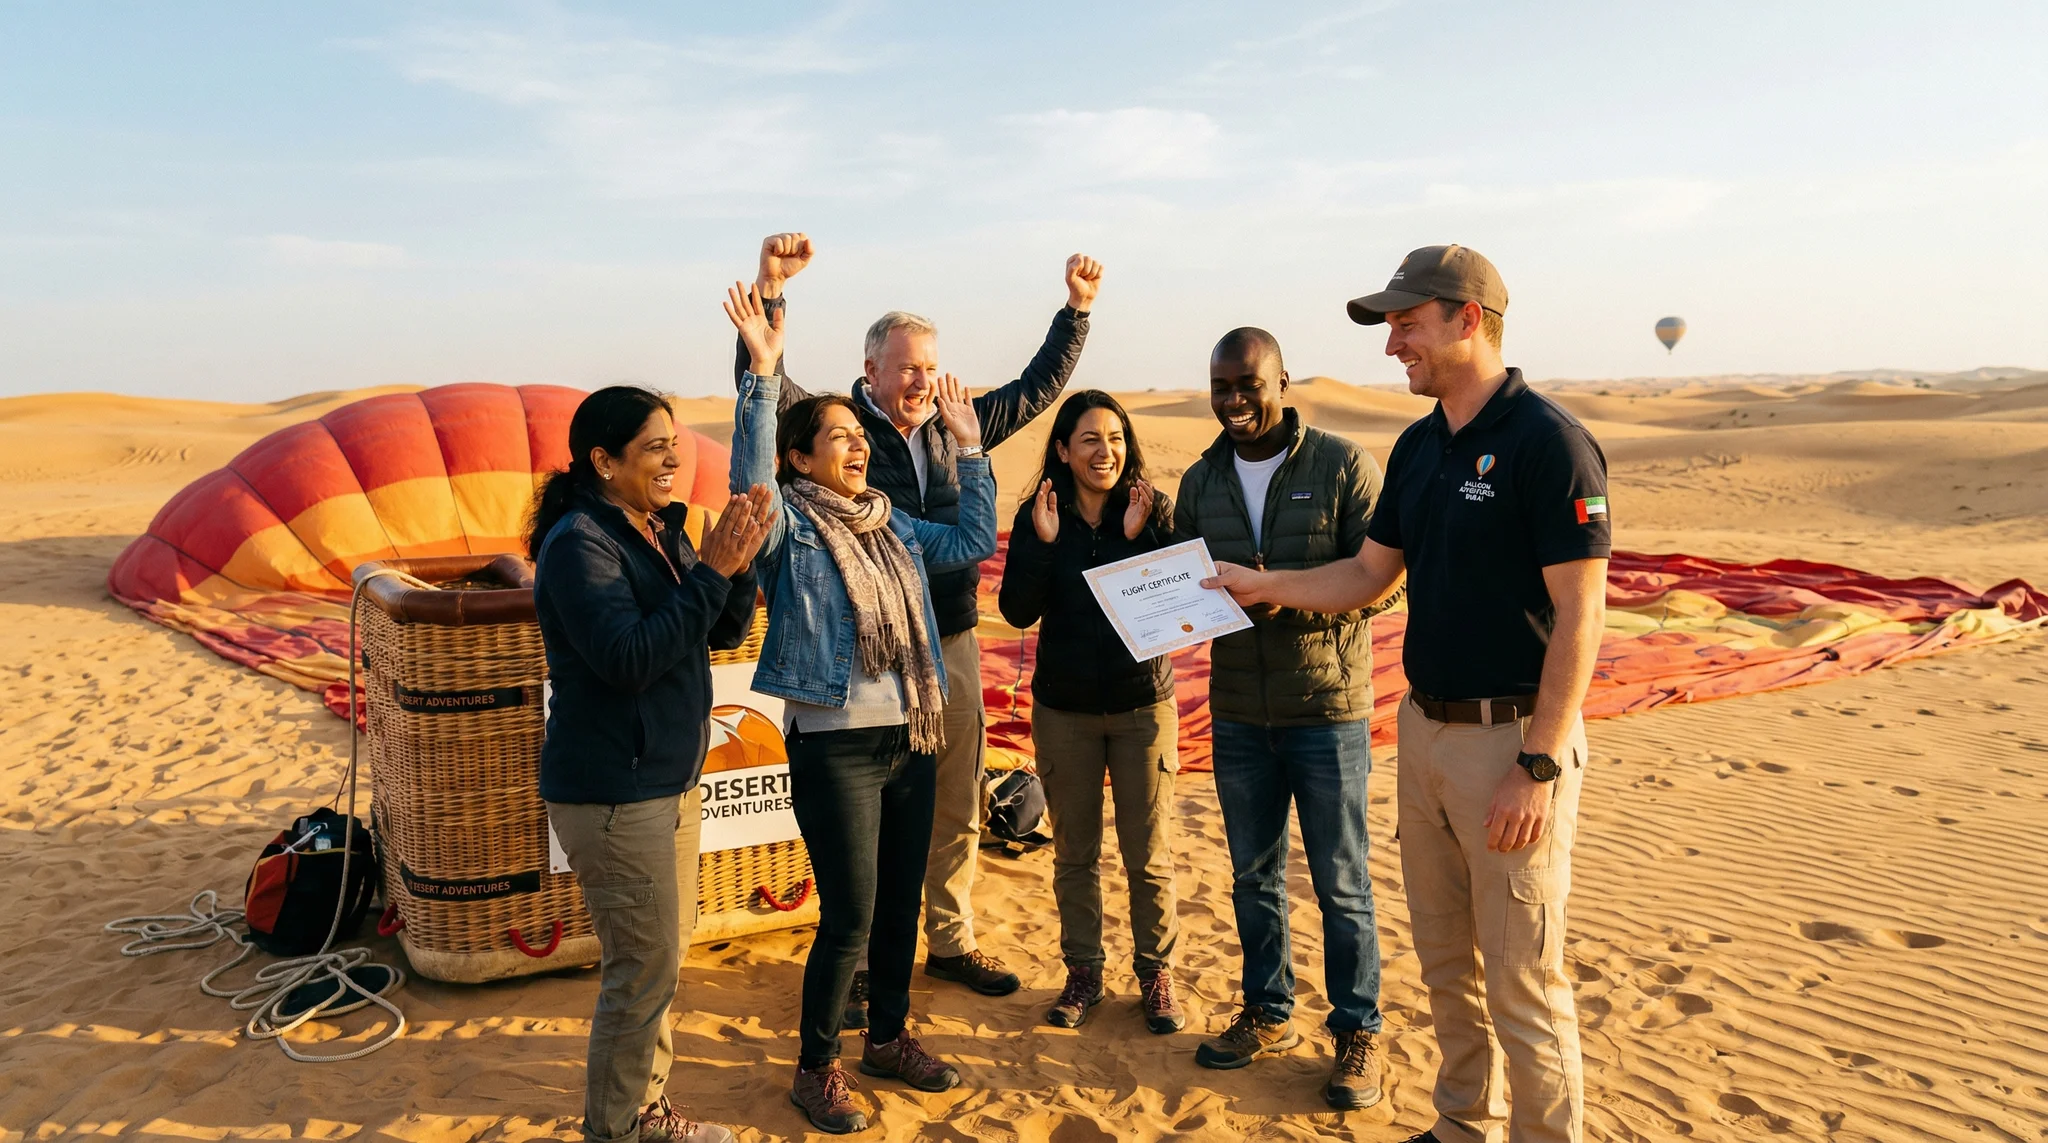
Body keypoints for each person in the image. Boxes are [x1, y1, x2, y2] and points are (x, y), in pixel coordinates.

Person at [1204, 245, 1608, 1143]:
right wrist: (1261, 584)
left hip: (1512, 747)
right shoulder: (1421, 447)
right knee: (1445, 966)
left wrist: (1538, 763)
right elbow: (1363, 573)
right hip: (1422, 735)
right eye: (1391, 325)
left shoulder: (1550, 443)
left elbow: (1584, 615)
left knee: (1523, 978)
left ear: (1470, 318)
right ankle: (1466, 1124)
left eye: (1407, 323)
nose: (1393, 345)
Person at [740, 233, 1103, 1013]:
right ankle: (870, 951)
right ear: (870, 368)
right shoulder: (834, 425)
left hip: (950, 639)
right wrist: (771, 294)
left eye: (929, 367)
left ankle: (951, 938)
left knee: (954, 795)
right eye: (906, 366)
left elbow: (1039, 388)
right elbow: (760, 387)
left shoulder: (954, 419)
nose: (921, 380)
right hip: (866, 656)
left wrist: (1075, 311)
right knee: (876, 805)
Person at [724, 282, 998, 1135]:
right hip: (836, 741)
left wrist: (972, 451)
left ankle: (887, 1037)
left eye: (857, 437)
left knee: (898, 908)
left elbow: (975, 542)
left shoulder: (894, 524)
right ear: (800, 459)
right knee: (847, 912)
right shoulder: (787, 526)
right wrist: (764, 379)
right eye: (836, 437)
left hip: (912, 731)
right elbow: (748, 475)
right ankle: (816, 1066)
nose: (855, 448)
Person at [530, 386, 776, 1143]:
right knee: (641, 971)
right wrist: (712, 571)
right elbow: (628, 659)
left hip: (667, 780)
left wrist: (736, 564)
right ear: (603, 461)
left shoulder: (659, 529)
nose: (674, 456)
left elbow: (722, 627)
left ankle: (646, 1111)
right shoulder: (581, 545)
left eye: (675, 440)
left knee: (660, 963)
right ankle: (617, 1127)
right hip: (613, 791)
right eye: (653, 446)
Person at [1172, 326, 1392, 1110]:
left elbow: (1388, 585)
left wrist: (1284, 590)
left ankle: (1357, 1029)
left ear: (1283, 381)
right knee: (1252, 877)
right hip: (1236, 712)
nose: (1233, 400)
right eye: (1220, 385)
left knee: (1341, 880)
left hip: (1326, 710)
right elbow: (1176, 586)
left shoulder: (1341, 465)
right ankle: (1266, 1010)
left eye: (1247, 384)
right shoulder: (1200, 481)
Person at [996, 390, 1185, 1034]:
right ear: (1062, 451)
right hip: (1065, 710)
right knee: (1075, 852)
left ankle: (1155, 973)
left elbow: (1179, 603)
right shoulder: (1040, 513)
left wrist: (1139, 542)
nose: (1105, 452)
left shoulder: (1152, 509)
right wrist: (1045, 545)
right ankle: (1084, 972)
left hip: (1143, 706)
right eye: (1089, 440)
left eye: (1115, 438)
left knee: (1148, 853)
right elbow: (1018, 611)